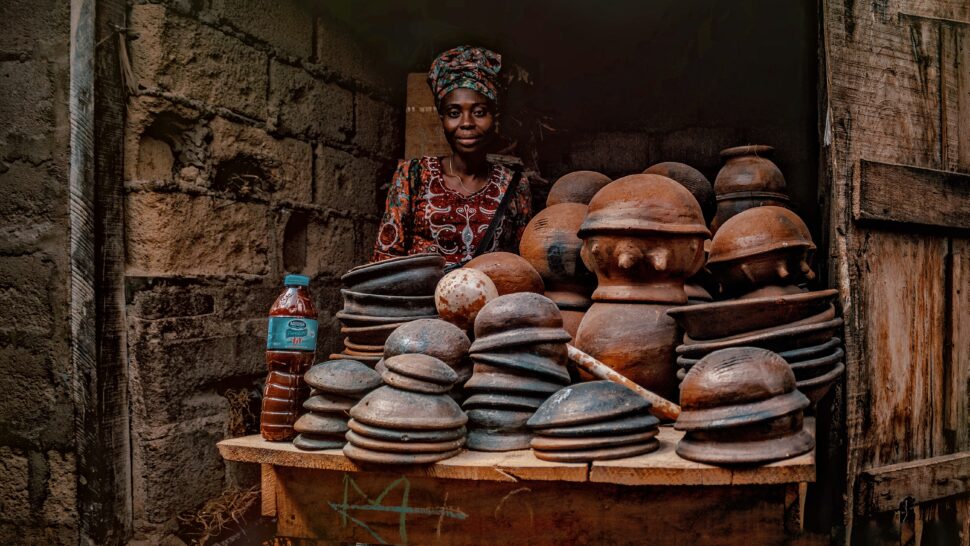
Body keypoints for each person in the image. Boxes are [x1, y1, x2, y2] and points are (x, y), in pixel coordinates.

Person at [372, 45, 532, 269]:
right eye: (454, 113)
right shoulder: (413, 176)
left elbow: (523, 266)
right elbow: (385, 259)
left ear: (494, 117)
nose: (466, 123)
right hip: (420, 302)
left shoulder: (514, 185)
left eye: (479, 113)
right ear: (442, 119)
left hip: (489, 302)